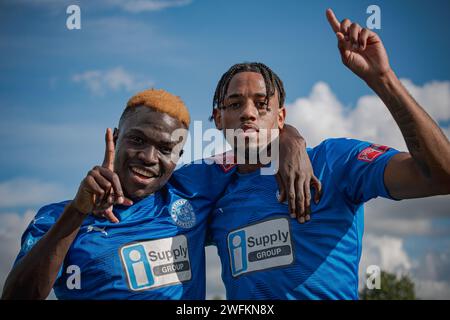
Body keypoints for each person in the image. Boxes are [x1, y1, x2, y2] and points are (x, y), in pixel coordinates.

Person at [207, 9, 450, 299]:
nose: (248, 113)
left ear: (281, 117)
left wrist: (383, 79)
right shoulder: (209, 192)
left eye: (261, 104)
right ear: (218, 118)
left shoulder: (335, 162)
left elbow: (441, 176)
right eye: (234, 104)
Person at [1, 89, 317, 300]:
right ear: (114, 137)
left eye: (166, 149)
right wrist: (77, 212)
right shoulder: (58, 217)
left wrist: (290, 138)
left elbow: (255, 146)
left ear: (178, 157)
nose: (149, 157)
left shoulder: (191, 187)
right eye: (137, 140)